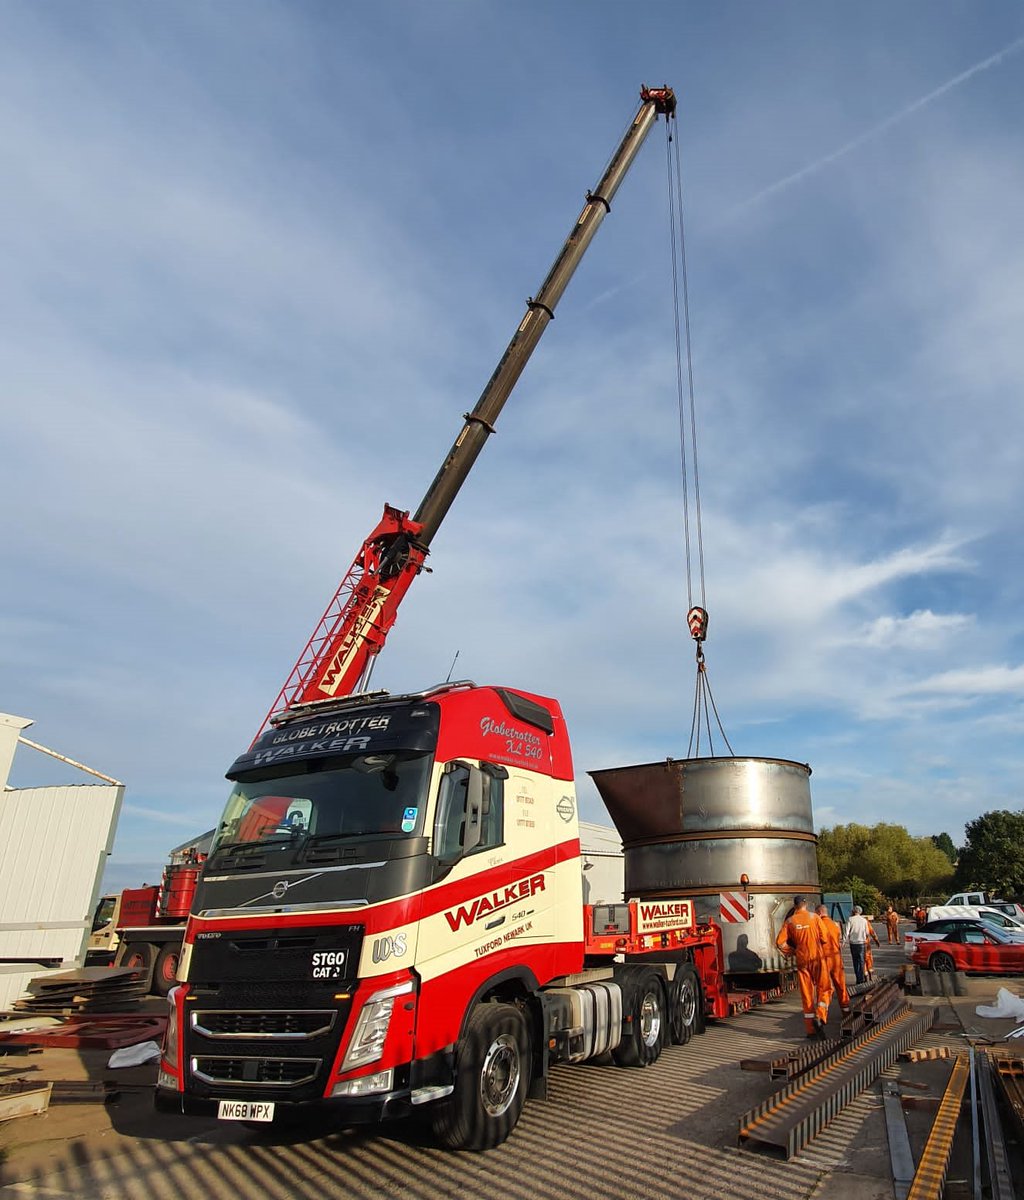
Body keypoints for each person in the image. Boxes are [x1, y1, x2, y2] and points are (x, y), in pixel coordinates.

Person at [775, 895, 831, 1036]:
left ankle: (810, 1031)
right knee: (824, 988)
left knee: (807, 994)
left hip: (802, 960)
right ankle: (820, 1015)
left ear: (795, 907)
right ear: (805, 904)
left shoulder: (790, 921)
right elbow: (824, 938)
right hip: (817, 958)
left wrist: (793, 951)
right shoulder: (815, 918)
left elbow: (780, 943)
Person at [816, 903, 850, 1016]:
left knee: (824, 986)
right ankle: (845, 1008)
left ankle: (822, 1014)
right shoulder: (835, 925)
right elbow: (838, 939)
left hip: (823, 958)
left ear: (819, 913)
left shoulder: (818, 925)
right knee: (840, 984)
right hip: (836, 958)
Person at [844, 905, 871, 985]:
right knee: (861, 961)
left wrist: (844, 942)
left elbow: (846, 932)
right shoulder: (864, 920)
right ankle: (862, 979)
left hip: (853, 944)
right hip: (862, 943)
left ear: (854, 911)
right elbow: (867, 933)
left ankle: (858, 979)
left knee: (855, 961)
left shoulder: (850, 919)